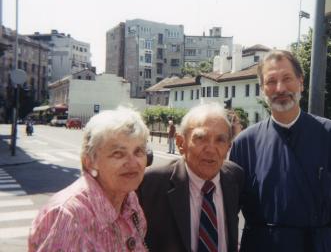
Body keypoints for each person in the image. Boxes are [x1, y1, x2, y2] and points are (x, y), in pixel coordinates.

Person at [229, 50, 331, 252]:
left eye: (287, 78)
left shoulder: (330, 135)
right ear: (262, 89)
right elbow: (227, 214)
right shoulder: (245, 143)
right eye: (271, 81)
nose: (280, 88)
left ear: (301, 82)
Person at [29, 107, 149, 251]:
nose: (132, 163)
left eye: (138, 151)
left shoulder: (129, 199)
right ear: (90, 161)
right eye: (118, 153)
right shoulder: (68, 217)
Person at [137, 103, 244, 252]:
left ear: (228, 147)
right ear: (181, 143)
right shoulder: (150, 184)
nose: (211, 149)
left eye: (220, 140)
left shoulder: (235, 177)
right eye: (201, 138)